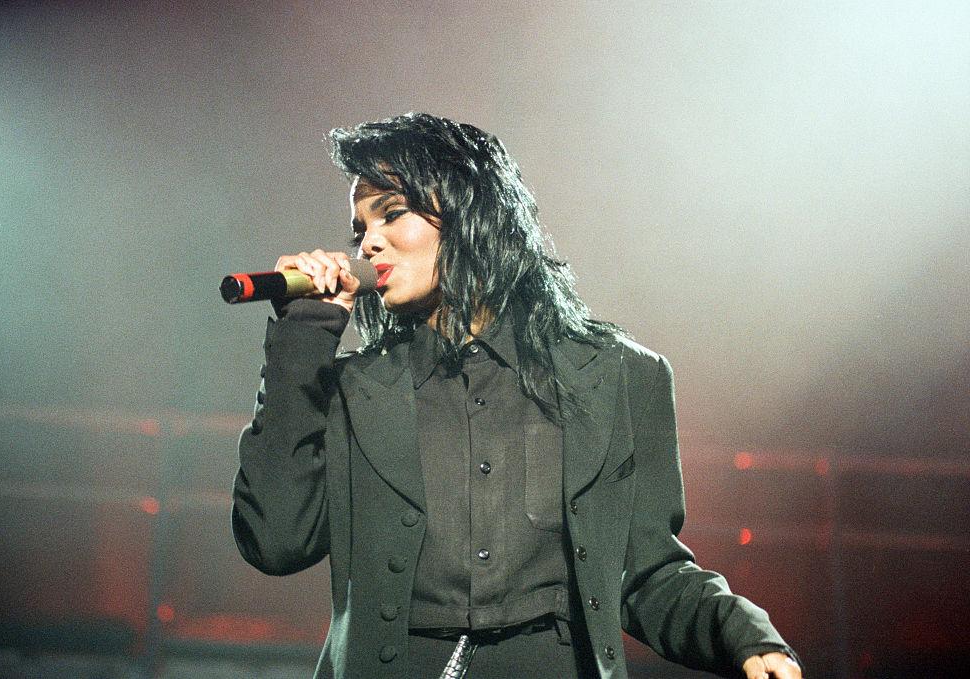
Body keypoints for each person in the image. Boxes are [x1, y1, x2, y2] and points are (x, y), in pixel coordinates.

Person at [232, 112, 802, 679]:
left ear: (469, 210)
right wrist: (301, 338)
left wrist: (744, 637)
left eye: (391, 213)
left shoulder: (620, 376)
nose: (368, 241)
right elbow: (276, 542)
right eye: (359, 231)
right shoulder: (354, 390)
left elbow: (646, 571)